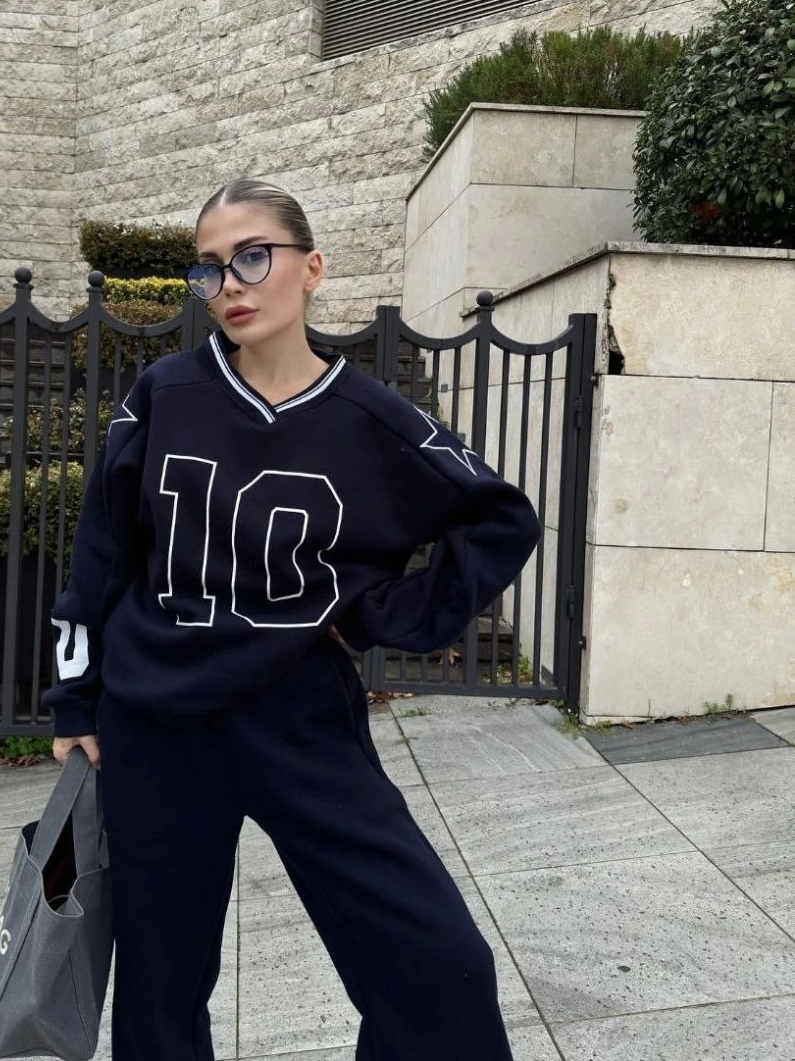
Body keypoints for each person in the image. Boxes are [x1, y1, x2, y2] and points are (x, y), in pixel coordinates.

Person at [42, 178, 542, 1060]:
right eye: (209, 268)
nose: (229, 284)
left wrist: (376, 613)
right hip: (158, 727)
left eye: (252, 256)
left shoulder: (371, 418)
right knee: (160, 992)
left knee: (441, 965)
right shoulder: (166, 394)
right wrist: (75, 697)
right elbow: (102, 550)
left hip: (300, 717)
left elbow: (500, 518)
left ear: (312, 267)